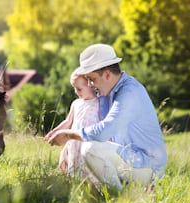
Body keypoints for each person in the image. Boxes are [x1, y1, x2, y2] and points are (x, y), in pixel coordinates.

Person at [47, 43, 167, 190]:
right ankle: (122, 192)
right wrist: (70, 147)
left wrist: (69, 135)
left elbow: (103, 132)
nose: (90, 85)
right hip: (128, 159)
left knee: (90, 149)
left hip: (147, 166)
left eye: (92, 79)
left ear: (107, 75)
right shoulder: (105, 95)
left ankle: (120, 199)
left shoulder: (129, 92)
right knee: (87, 153)